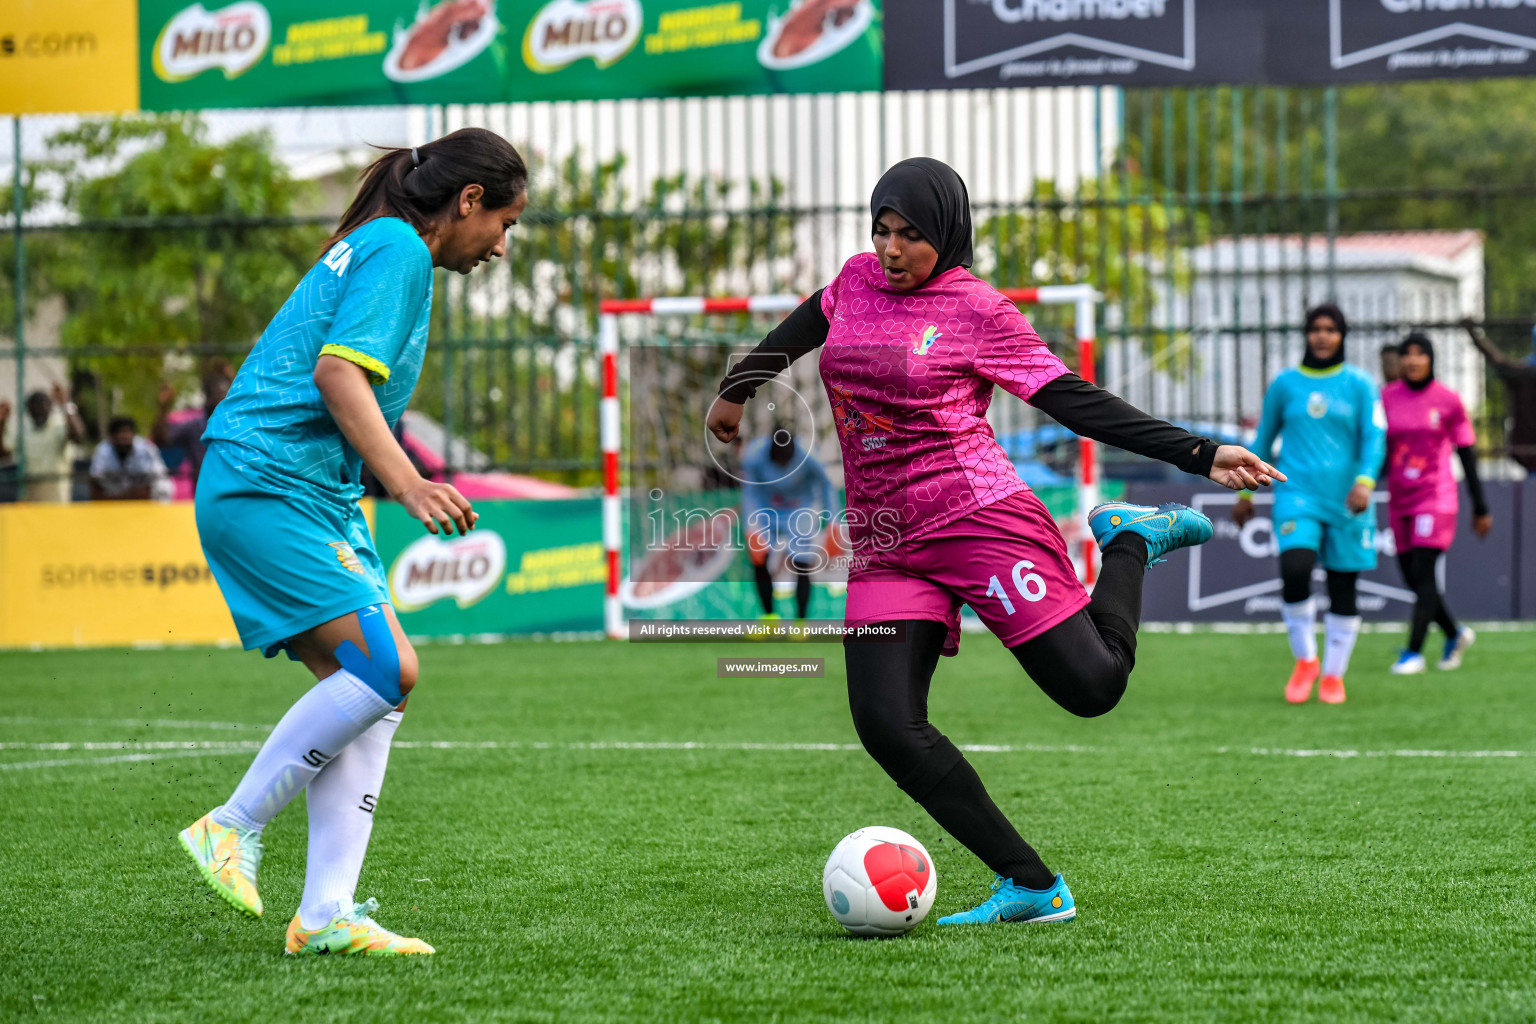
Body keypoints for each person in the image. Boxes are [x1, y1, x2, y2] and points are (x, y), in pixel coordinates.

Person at [707, 157, 1283, 927]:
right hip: (888, 538)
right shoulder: (853, 282)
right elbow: (801, 328)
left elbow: (1073, 401)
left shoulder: (978, 308)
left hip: (978, 519)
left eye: (910, 234)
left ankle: (1130, 542)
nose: (890, 248)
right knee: (887, 725)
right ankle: (1032, 885)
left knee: (1092, 689)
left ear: (945, 234)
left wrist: (1199, 452)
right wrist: (737, 390)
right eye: (881, 229)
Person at [176, 128, 528, 957]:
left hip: (301, 491)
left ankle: (327, 912)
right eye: (504, 224)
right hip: (268, 484)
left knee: (378, 690)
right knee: (386, 667)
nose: (503, 247)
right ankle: (229, 826)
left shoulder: (380, 246)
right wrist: (408, 485)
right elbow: (338, 376)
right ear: (467, 202)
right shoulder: (400, 249)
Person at [1233, 304, 1384, 706]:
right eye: (1316, 328)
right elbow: (1263, 439)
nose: (1322, 335)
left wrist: (1365, 483)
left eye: (1331, 329)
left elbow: (1374, 438)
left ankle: (1333, 676)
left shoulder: (1360, 384)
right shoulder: (1285, 384)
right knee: (1295, 569)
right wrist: (1246, 492)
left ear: (1342, 335)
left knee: (1342, 587)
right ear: (1306, 334)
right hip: (1296, 494)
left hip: (1348, 498)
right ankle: (1306, 661)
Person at [1383, 334, 1490, 674]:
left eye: (1420, 354)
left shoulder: (1448, 400)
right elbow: (1375, 447)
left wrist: (1481, 506)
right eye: (1407, 354)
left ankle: (1413, 652)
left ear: (1431, 360)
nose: (1413, 360)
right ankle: (1455, 633)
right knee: (1411, 576)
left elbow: (1467, 453)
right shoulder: (1386, 398)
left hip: (1436, 496)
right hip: (1400, 497)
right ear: (1399, 362)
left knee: (1425, 571)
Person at [739, 425, 838, 622]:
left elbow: (827, 486)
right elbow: (749, 492)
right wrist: (752, 528)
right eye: (778, 463)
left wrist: (833, 524)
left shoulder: (809, 455)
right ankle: (769, 619)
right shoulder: (754, 455)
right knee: (759, 559)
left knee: (802, 561)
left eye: (787, 462)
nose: (783, 468)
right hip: (768, 509)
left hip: (801, 508)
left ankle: (800, 622)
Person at [1462, 318, 1536, 472]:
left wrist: (1475, 335)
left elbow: (1498, 360)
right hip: (1527, 449)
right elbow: (1498, 360)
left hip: (1525, 449)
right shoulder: (1523, 374)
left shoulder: (1522, 373)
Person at [152, 363, 233, 492]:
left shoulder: (239, 426)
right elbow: (162, 439)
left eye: (226, 393)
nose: (223, 398)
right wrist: (163, 408)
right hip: (204, 491)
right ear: (208, 396)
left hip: (234, 490)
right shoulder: (195, 426)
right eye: (219, 393)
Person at [0, 383, 87, 502]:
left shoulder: (59, 425)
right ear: (28, 410)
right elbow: (4, 453)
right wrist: (2, 423)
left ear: (50, 407)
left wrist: (65, 403)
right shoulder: (23, 431)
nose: (38, 409)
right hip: (29, 502)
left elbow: (78, 435)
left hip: (57, 501)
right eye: (34, 406)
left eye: (42, 405)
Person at [89, 415, 172, 501]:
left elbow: (148, 486)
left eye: (126, 432)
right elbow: (95, 483)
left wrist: (127, 497)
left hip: (152, 497)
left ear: (133, 434)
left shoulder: (145, 448)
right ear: (111, 437)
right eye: (119, 432)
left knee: (159, 485)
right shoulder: (103, 450)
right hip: (117, 497)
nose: (123, 436)